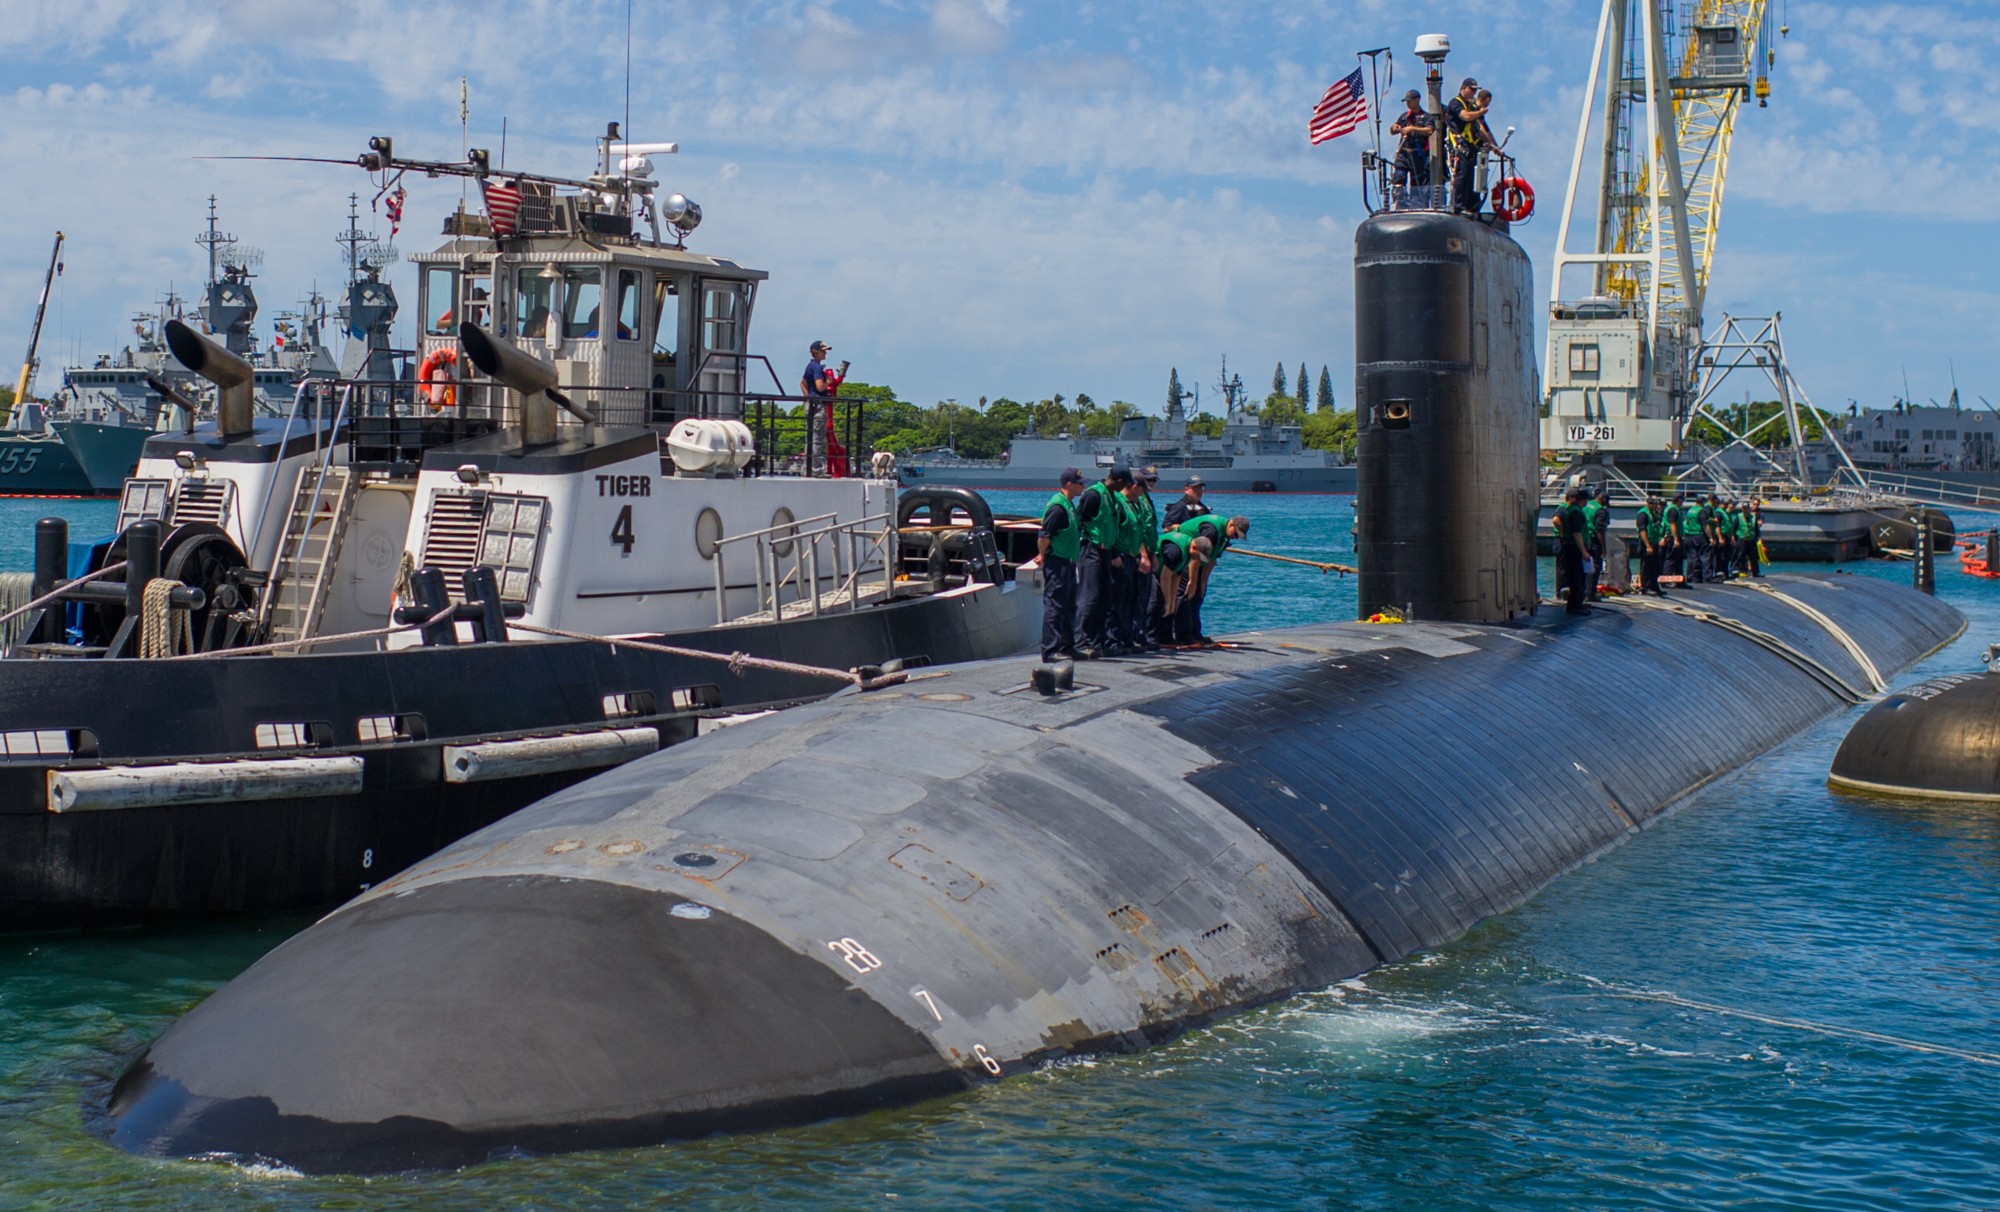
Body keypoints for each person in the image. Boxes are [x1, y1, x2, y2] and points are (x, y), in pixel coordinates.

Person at [1074, 465, 1132, 658]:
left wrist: (1114, 551)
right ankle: (1081, 641)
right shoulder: (1094, 495)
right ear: (1116, 480)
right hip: (1091, 549)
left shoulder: (1112, 496)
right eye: (1123, 483)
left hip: (1106, 551)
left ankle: (1098, 641)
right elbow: (1080, 520)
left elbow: (1112, 527)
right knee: (1089, 597)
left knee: (1105, 598)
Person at [1170, 513, 1249, 644]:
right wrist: (1193, 581)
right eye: (1236, 534)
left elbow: (1212, 559)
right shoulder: (1211, 531)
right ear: (1231, 524)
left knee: (1198, 596)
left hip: (1198, 559)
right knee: (1186, 595)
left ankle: (1195, 632)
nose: (1235, 538)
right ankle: (1183, 634)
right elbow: (1196, 555)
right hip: (1185, 555)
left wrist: (1202, 583)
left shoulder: (1224, 537)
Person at [1037, 468, 1087, 662]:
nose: (1083, 486)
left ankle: (1067, 647)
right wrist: (1042, 555)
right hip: (1057, 561)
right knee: (1054, 606)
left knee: (1068, 606)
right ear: (1068, 484)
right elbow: (1045, 535)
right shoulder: (1058, 507)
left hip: (1068, 561)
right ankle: (1050, 651)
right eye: (1079, 483)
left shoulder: (1069, 505)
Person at [1123, 471, 1160, 651]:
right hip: (1139, 553)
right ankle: (1133, 636)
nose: (1152, 483)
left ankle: (1139, 635)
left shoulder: (1144, 500)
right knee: (1136, 597)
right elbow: (1140, 530)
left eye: (1154, 480)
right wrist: (1145, 555)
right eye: (1149, 480)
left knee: (1144, 597)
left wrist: (1153, 554)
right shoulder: (1138, 501)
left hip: (1148, 552)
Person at [1156, 533, 1214, 638]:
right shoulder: (1176, 552)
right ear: (1194, 547)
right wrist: (1168, 601)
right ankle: (1150, 637)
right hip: (1153, 570)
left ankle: (1164, 637)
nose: (1198, 560)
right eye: (1199, 556)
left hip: (1164, 573)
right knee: (1156, 602)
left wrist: (1172, 602)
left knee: (1170, 606)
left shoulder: (1188, 555)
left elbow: (1176, 576)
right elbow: (1165, 577)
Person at [1444, 77, 1489, 214]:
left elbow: (1482, 129)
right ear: (1463, 88)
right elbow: (1465, 117)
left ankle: (1471, 206)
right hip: (1459, 146)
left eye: (1475, 91)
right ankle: (1458, 206)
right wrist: (1480, 112)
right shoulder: (1455, 103)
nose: (1473, 93)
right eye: (1471, 90)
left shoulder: (1471, 106)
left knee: (1472, 177)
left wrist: (1493, 146)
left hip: (1471, 147)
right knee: (1461, 175)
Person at [1389, 89, 1435, 209]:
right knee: (1399, 176)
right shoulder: (1404, 117)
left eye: (1410, 101)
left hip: (1417, 155)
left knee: (1418, 183)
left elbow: (1429, 130)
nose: (1408, 104)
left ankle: (1418, 205)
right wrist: (1395, 127)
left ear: (1417, 100)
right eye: (1407, 102)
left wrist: (1412, 129)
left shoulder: (1426, 117)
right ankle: (1400, 202)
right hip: (1404, 153)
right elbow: (1392, 130)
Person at [1555, 486, 1591, 614]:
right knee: (1577, 577)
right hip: (1575, 549)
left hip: (1569, 547)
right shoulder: (1575, 512)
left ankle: (1575, 605)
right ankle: (1575, 606)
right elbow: (1576, 533)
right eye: (1585, 500)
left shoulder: (1568, 510)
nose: (1587, 503)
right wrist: (1584, 552)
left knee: (1574, 576)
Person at [1634, 493, 1667, 595]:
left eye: (1657, 504)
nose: (1656, 506)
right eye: (1653, 504)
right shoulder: (1643, 514)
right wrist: (1648, 545)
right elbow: (1642, 530)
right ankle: (1646, 587)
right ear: (1648, 503)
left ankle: (1654, 586)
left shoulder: (1654, 514)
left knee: (1655, 565)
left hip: (1654, 542)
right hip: (1647, 544)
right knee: (1646, 566)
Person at [1582, 486, 1609, 600]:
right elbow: (1600, 530)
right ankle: (1590, 593)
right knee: (1595, 566)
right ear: (1603, 499)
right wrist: (1603, 547)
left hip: (1583, 538)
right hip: (1593, 540)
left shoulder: (1587, 504)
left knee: (1584, 566)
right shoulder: (1600, 510)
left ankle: (1583, 591)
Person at [1680, 491, 1708, 584]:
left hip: (1689, 536)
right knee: (1702, 557)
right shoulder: (1701, 511)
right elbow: (1705, 525)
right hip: (1699, 535)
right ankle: (1703, 577)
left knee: (1691, 558)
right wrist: (1711, 537)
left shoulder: (1690, 511)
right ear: (1702, 502)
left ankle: (1690, 577)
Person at [1662, 492, 1685, 581]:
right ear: (1679, 500)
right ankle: (1666, 579)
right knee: (1671, 559)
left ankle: (1679, 580)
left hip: (1676, 536)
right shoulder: (1673, 510)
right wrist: (1676, 539)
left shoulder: (1673, 509)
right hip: (1673, 537)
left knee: (1678, 560)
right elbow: (1672, 524)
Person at [1745, 501, 1764, 577]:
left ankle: (1755, 571)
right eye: (1754, 504)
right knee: (1745, 554)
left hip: (1755, 536)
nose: (1756, 506)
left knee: (1754, 555)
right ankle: (1747, 570)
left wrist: (1754, 518)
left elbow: (1759, 524)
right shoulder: (1747, 513)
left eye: (1757, 505)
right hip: (1747, 536)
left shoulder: (1760, 514)